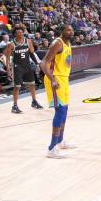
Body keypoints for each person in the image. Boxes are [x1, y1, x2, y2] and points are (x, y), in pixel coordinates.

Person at [40, 24, 75, 159]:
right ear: (62, 31)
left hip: (63, 79)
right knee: (60, 111)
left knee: (65, 111)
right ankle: (52, 148)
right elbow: (43, 63)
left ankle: (60, 142)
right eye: (68, 30)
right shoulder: (57, 43)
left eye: (71, 29)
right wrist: (52, 79)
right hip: (55, 80)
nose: (70, 32)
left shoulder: (68, 42)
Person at [4, 25, 43, 113]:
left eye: (22, 32)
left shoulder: (28, 41)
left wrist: (37, 64)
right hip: (17, 67)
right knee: (17, 87)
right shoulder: (11, 44)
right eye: (18, 33)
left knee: (32, 84)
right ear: (15, 34)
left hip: (27, 66)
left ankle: (34, 101)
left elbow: (32, 53)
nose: (21, 34)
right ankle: (14, 106)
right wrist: (8, 70)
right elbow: (7, 58)